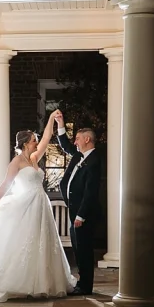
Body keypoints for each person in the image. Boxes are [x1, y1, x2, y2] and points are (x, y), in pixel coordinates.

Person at [0, 110, 76, 302]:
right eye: (33, 140)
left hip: (41, 205)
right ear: (25, 143)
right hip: (26, 206)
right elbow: (6, 184)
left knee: (42, 242)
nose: (36, 143)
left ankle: (42, 282)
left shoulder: (33, 159)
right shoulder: (16, 162)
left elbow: (47, 138)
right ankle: (19, 283)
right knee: (25, 243)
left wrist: (51, 119)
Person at [53, 111, 102, 296]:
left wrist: (81, 215)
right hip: (74, 211)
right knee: (78, 248)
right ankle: (82, 283)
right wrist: (60, 123)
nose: (76, 142)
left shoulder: (94, 161)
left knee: (84, 250)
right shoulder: (79, 155)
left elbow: (91, 192)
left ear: (88, 139)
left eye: (78, 138)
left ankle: (85, 286)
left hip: (85, 214)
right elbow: (65, 145)